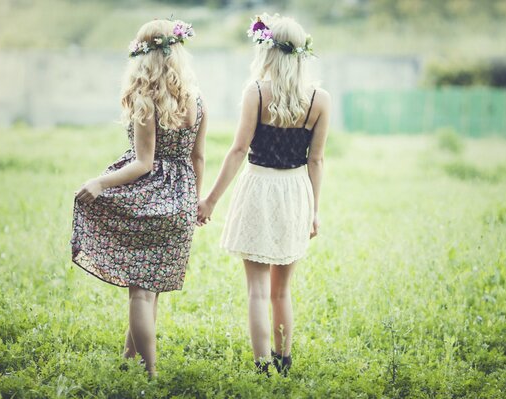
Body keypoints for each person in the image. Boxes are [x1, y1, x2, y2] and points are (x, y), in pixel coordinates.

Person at [70, 19, 206, 377]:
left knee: (140, 294)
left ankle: (150, 373)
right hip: (182, 199)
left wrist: (100, 183)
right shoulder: (197, 100)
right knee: (151, 291)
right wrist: (195, 201)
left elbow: (144, 163)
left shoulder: (147, 99)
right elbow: (198, 158)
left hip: (151, 200)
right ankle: (129, 361)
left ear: (142, 58)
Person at [197, 14, 330, 376]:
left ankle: (261, 367)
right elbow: (316, 160)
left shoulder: (256, 91)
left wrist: (209, 199)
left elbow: (238, 150)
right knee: (281, 291)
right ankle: (284, 363)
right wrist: (315, 211)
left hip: (258, 187)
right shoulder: (320, 99)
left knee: (257, 290)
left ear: (268, 52)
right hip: (295, 191)